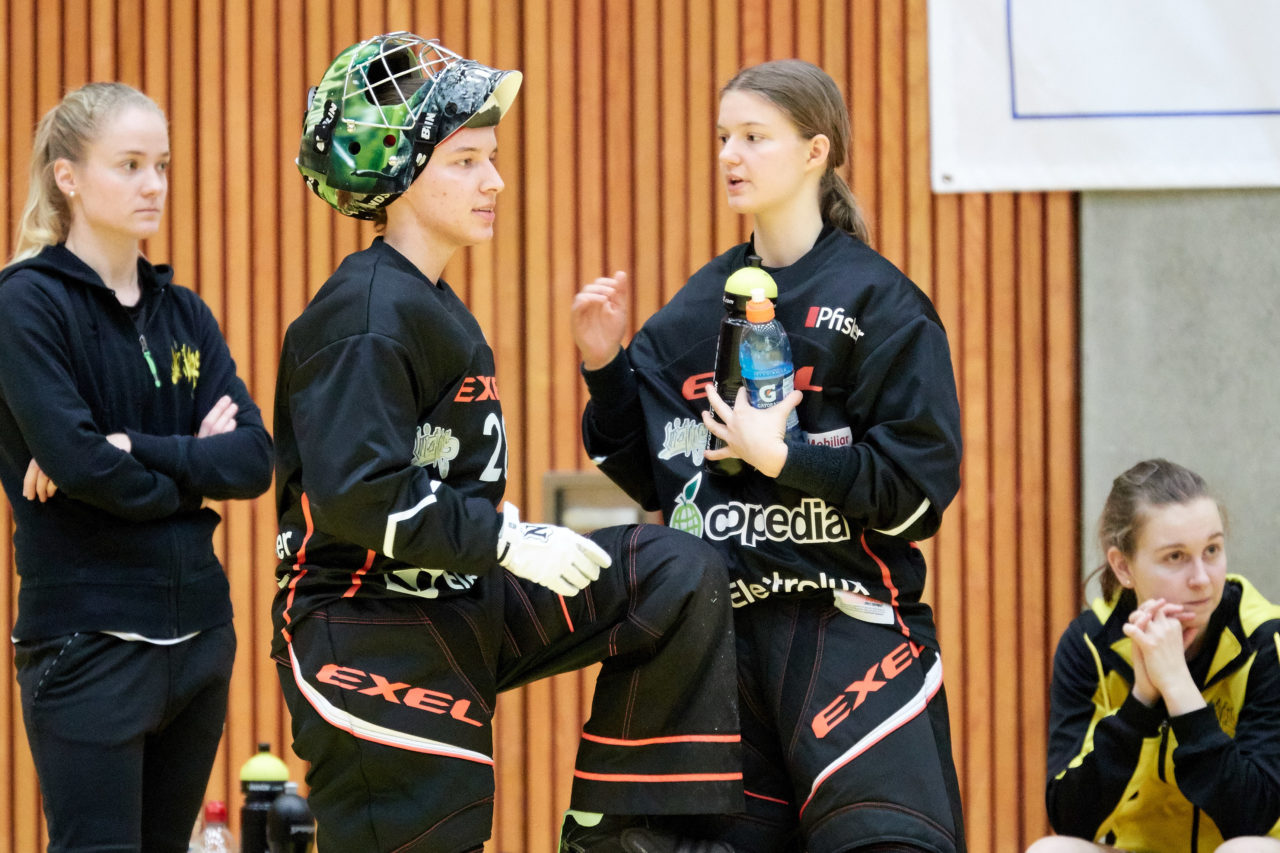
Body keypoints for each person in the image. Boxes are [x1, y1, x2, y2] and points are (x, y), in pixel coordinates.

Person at [273, 32, 742, 853]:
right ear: (400, 172)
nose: (495, 180)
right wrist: (505, 535)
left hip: (460, 598)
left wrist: (494, 528)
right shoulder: (362, 314)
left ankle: (613, 831)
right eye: (465, 161)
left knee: (674, 572)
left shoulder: (432, 302)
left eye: (491, 158)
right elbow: (357, 493)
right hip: (364, 620)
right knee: (442, 826)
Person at [572, 59, 967, 852]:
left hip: (845, 628)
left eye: (755, 137)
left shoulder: (880, 302)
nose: (731, 155)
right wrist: (606, 367)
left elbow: (921, 489)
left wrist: (788, 459)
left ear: (816, 152)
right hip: (720, 648)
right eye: (724, 137)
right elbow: (651, 467)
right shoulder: (694, 306)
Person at [0, 82, 273, 850]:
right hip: (89, 642)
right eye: (129, 165)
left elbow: (253, 458)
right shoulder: (27, 305)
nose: (153, 184)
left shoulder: (183, 312)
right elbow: (81, 465)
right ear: (69, 177)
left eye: (161, 164)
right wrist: (191, 470)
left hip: (199, 639)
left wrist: (136, 450)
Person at [1025, 459, 1280, 852]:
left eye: (1211, 549)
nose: (1201, 578)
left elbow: (1252, 817)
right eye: (1175, 557)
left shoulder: (1265, 641)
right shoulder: (1089, 645)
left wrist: (1179, 688)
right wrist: (1141, 702)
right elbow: (1070, 819)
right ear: (1124, 567)